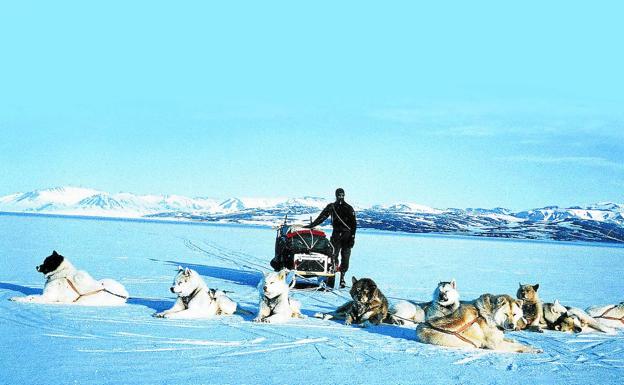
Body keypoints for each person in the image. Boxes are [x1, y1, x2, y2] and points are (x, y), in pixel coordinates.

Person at [304, 188, 356, 288]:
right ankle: (334, 277)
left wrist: (352, 237)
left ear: (344, 195)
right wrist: (311, 225)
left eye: (342, 195)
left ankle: (342, 278)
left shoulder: (349, 208)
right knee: (334, 256)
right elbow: (322, 217)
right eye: (339, 195)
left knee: (345, 258)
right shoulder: (332, 206)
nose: (340, 197)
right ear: (336, 195)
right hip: (336, 235)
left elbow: (354, 224)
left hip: (347, 236)